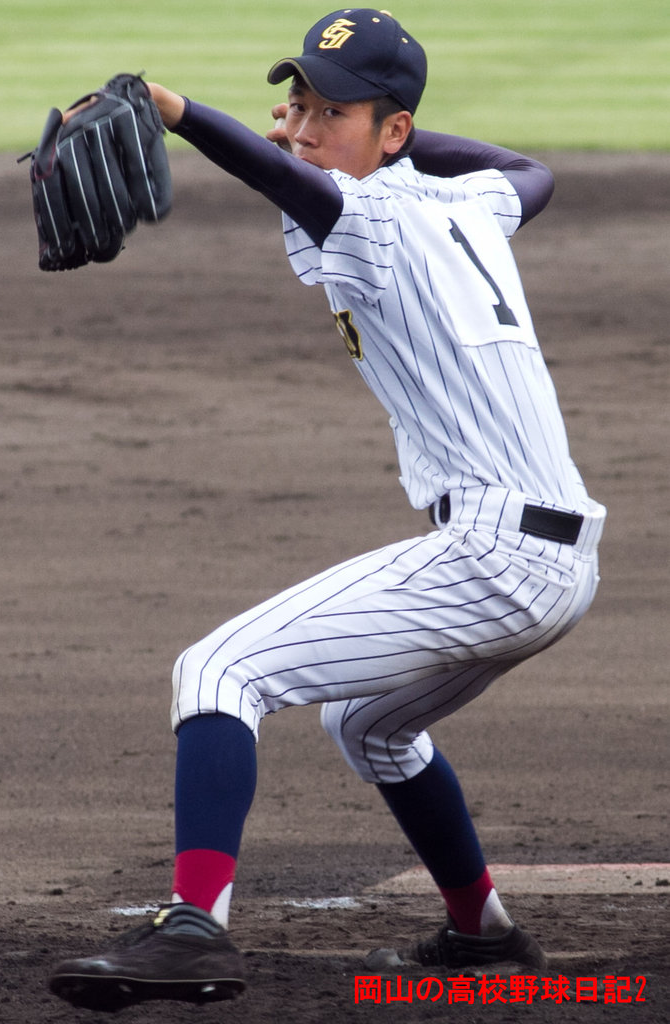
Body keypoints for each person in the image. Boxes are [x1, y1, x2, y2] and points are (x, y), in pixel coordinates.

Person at [49, 9, 606, 1012]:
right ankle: (481, 932)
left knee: (217, 669)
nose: (303, 126)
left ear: (389, 134)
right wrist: (371, 126)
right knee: (370, 727)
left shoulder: (377, 215)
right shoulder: (472, 204)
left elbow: (291, 186)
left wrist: (177, 111)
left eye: (332, 110)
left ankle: (193, 932)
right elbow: (529, 166)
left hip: (492, 552)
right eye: (298, 102)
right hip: (555, 561)